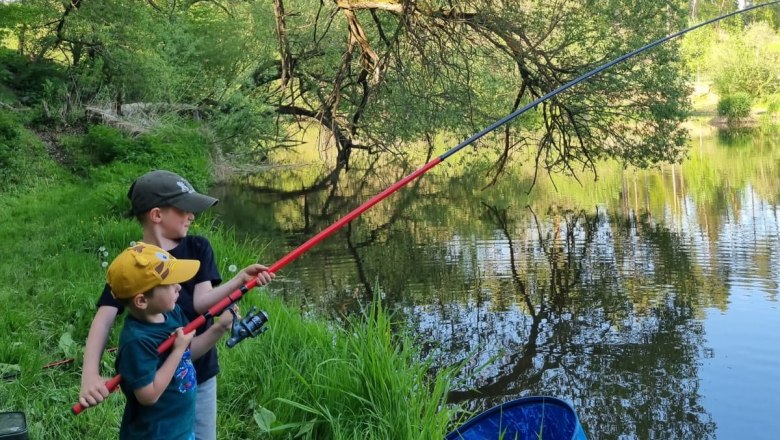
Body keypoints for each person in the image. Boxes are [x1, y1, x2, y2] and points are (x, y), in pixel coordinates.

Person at [79, 170, 274, 440]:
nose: (192, 216)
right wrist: (90, 375)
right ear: (157, 215)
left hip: (198, 370)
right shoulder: (135, 265)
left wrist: (240, 280)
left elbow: (201, 302)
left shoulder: (197, 247)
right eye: (185, 209)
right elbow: (104, 318)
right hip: (156, 384)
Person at [108, 242, 227, 439]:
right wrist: (177, 350)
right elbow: (148, 395)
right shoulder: (136, 341)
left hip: (181, 428)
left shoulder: (172, 313)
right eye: (170, 283)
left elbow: (189, 351)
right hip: (154, 434)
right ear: (142, 301)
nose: (179, 287)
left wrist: (218, 328)